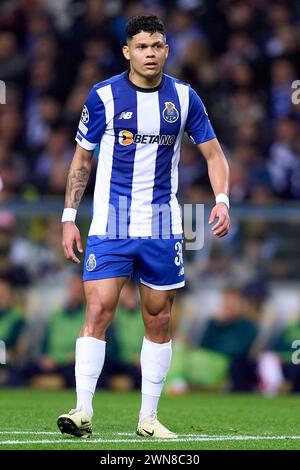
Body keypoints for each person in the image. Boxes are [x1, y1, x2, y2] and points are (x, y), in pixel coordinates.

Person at [57, 15, 230, 439]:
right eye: (142, 46)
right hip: (111, 221)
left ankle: (148, 420)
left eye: (157, 46)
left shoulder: (185, 99)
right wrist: (68, 218)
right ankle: (82, 410)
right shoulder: (103, 97)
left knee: (159, 319)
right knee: (97, 311)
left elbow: (214, 155)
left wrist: (222, 200)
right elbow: (82, 161)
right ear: (127, 52)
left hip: (162, 225)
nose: (150, 53)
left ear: (167, 50)